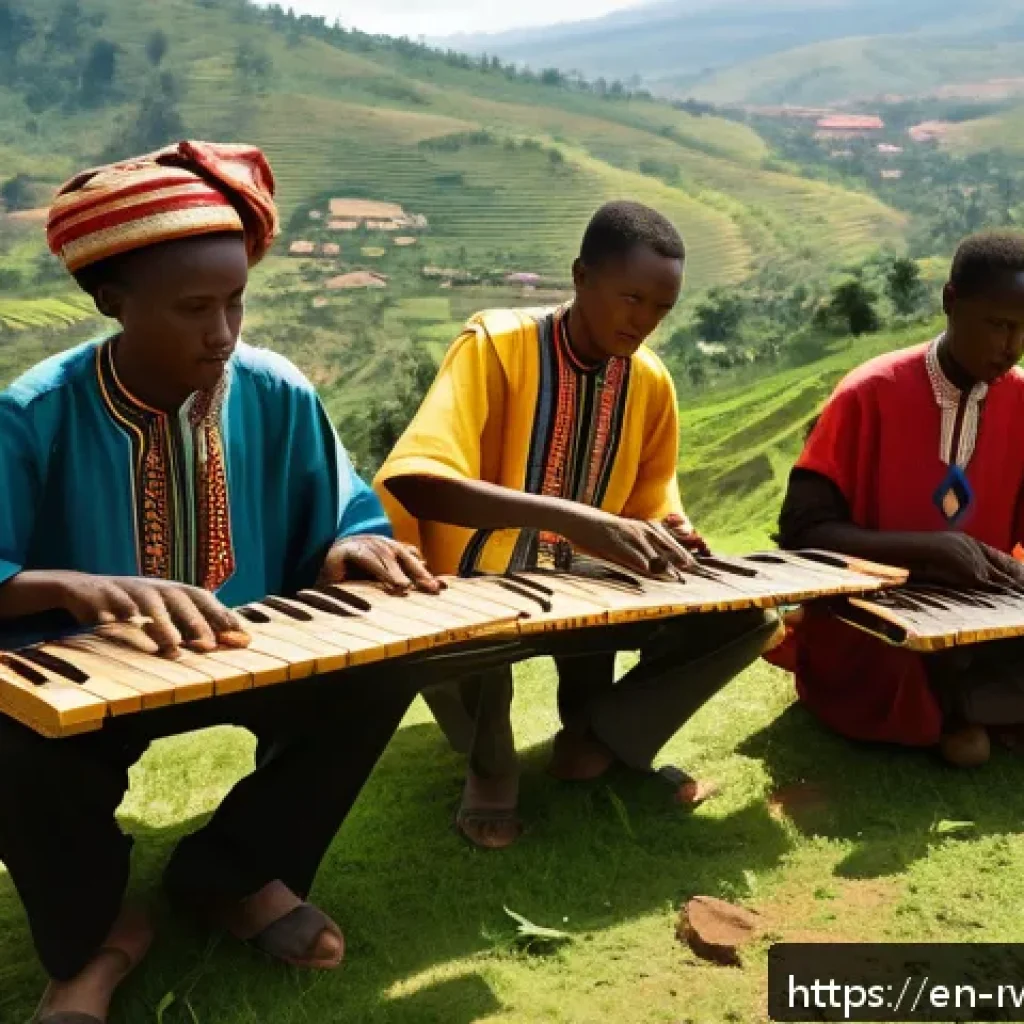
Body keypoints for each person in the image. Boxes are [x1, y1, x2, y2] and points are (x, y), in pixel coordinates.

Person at [0, 141, 440, 1024]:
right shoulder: (33, 414)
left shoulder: (276, 392)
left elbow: (344, 514)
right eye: (194, 308)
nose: (223, 333)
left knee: (387, 663)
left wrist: (353, 548)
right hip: (88, 686)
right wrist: (73, 588)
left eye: (236, 301)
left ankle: (233, 873)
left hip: (254, 654)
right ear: (113, 302)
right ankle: (97, 937)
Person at [375, 201, 777, 849]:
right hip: (470, 581)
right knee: (473, 610)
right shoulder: (494, 344)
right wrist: (576, 520)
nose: (643, 321)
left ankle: (597, 737)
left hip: (586, 580)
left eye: (661, 308)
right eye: (631, 298)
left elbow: (652, 500)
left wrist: (672, 533)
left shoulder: (650, 380)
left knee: (747, 618)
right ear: (581, 276)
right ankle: (490, 764)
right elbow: (416, 481)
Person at [771, 231, 1024, 768]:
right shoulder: (869, 392)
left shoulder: (1022, 401)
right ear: (951, 302)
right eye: (1000, 325)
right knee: (919, 689)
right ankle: (960, 708)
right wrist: (929, 550)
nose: (1012, 346)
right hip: (875, 617)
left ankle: (966, 704)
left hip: (985, 616)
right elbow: (801, 533)